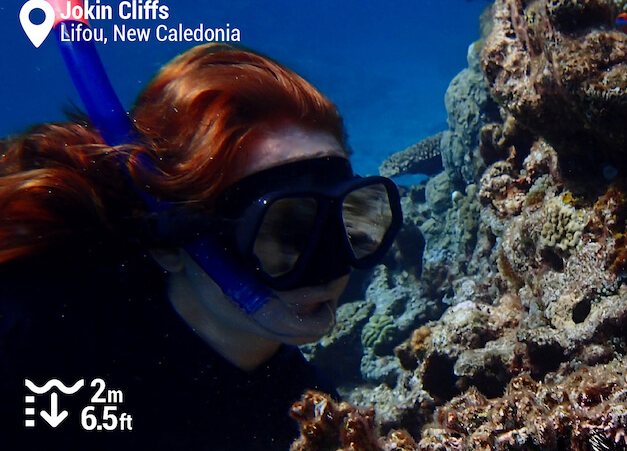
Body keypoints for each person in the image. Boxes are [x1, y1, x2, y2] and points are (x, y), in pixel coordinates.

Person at [0, 43, 401, 450]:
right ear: (168, 243)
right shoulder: (31, 330)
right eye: (284, 229)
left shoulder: (306, 418)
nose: (331, 263)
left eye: (349, 219)